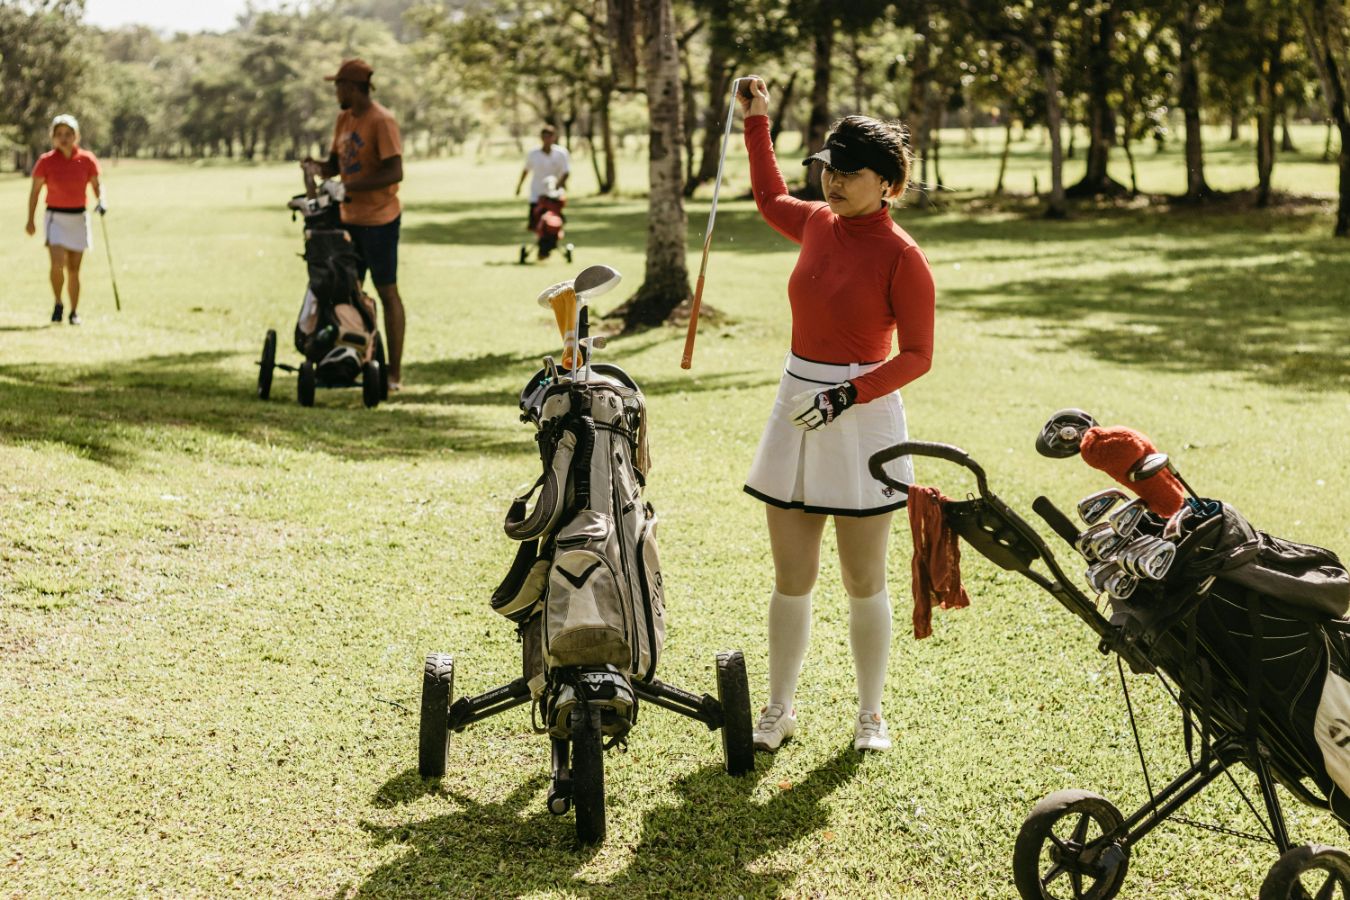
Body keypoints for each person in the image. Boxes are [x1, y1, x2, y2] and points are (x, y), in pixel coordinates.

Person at [736, 76, 935, 754]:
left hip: (863, 412)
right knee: (792, 577)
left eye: (850, 174)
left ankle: (870, 715)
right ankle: (779, 708)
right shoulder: (817, 221)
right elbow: (768, 197)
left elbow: (917, 356)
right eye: (829, 170)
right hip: (797, 400)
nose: (833, 183)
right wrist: (757, 121)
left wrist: (847, 396)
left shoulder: (903, 256)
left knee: (862, 578)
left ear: (888, 183)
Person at [302, 58, 406, 391]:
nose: (335, 92)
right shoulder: (344, 120)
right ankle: (358, 362)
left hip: (380, 219)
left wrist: (348, 187)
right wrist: (317, 168)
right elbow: (336, 164)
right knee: (349, 294)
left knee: (387, 293)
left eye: (338, 86)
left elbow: (394, 171)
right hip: (348, 219)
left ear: (353, 87)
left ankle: (393, 374)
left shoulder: (382, 121)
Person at [25, 114, 105, 326]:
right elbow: (34, 193)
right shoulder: (46, 161)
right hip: (55, 218)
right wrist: (30, 220)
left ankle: (74, 312)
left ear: (76, 136)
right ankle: (58, 303)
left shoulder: (86, 159)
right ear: (53, 137)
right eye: (59, 134)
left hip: (78, 218)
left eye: (68, 134)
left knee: (74, 269)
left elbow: (98, 186)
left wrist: (101, 201)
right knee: (57, 263)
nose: (64, 138)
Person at [514, 125, 570, 231]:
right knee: (535, 223)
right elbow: (526, 170)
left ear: (554, 137)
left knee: (555, 222)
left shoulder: (561, 153)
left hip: (554, 195)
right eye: (544, 137)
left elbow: (566, 172)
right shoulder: (533, 154)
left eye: (549, 137)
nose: (547, 140)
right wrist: (519, 186)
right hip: (537, 193)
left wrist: (557, 186)